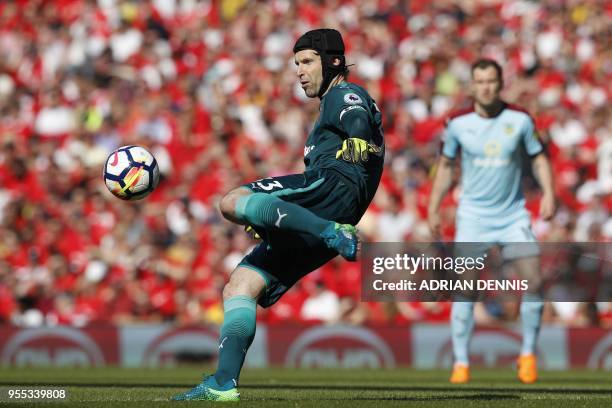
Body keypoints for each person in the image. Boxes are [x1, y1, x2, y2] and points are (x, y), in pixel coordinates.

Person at [172, 28, 384, 401]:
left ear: (333, 61)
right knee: (241, 286)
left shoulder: (341, 94)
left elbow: (356, 114)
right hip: (338, 209)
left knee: (231, 201)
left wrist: (355, 137)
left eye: (306, 62)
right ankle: (224, 384)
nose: (299, 71)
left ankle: (330, 230)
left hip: (331, 188)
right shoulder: (327, 106)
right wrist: (275, 215)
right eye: (296, 64)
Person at [427, 59, 556, 384]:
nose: (485, 87)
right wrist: (433, 206)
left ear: (500, 84)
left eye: (491, 81)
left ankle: (527, 355)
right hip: (473, 217)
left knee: (535, 282)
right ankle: (461, 363)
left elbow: (539, 158)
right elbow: (445, 165)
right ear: (472, 86)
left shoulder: (521, 120)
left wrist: (550, 193)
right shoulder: (457, 123)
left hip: (513, 215)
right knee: (465, 290)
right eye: (480, 81)